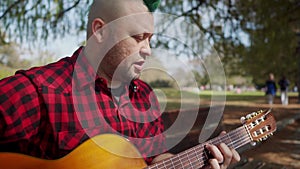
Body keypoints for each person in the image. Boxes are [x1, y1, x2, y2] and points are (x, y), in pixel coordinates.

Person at [0, 0, 240, 168]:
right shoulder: (40, 91)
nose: (147, 50)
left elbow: (154, 160)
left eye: (150, 39)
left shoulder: (145, 96)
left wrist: (197, 164)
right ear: (100, 30)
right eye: (138, 38)